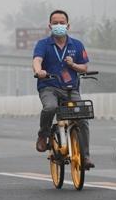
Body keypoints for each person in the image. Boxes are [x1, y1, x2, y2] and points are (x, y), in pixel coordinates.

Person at [32, 9, 95, 169]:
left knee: (83, 118)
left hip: (71, 89)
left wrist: (73, 65)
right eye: (55, 23)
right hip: (49, 86)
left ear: (68, 25)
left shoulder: (77, 45)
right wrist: (38, 71)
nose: (58, 25)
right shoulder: (43, 44)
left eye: (62, 23)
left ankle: (85, 156)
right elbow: (37, 60)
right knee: (50, 107)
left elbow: (84, 67)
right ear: (49, 25)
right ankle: (43, 134)